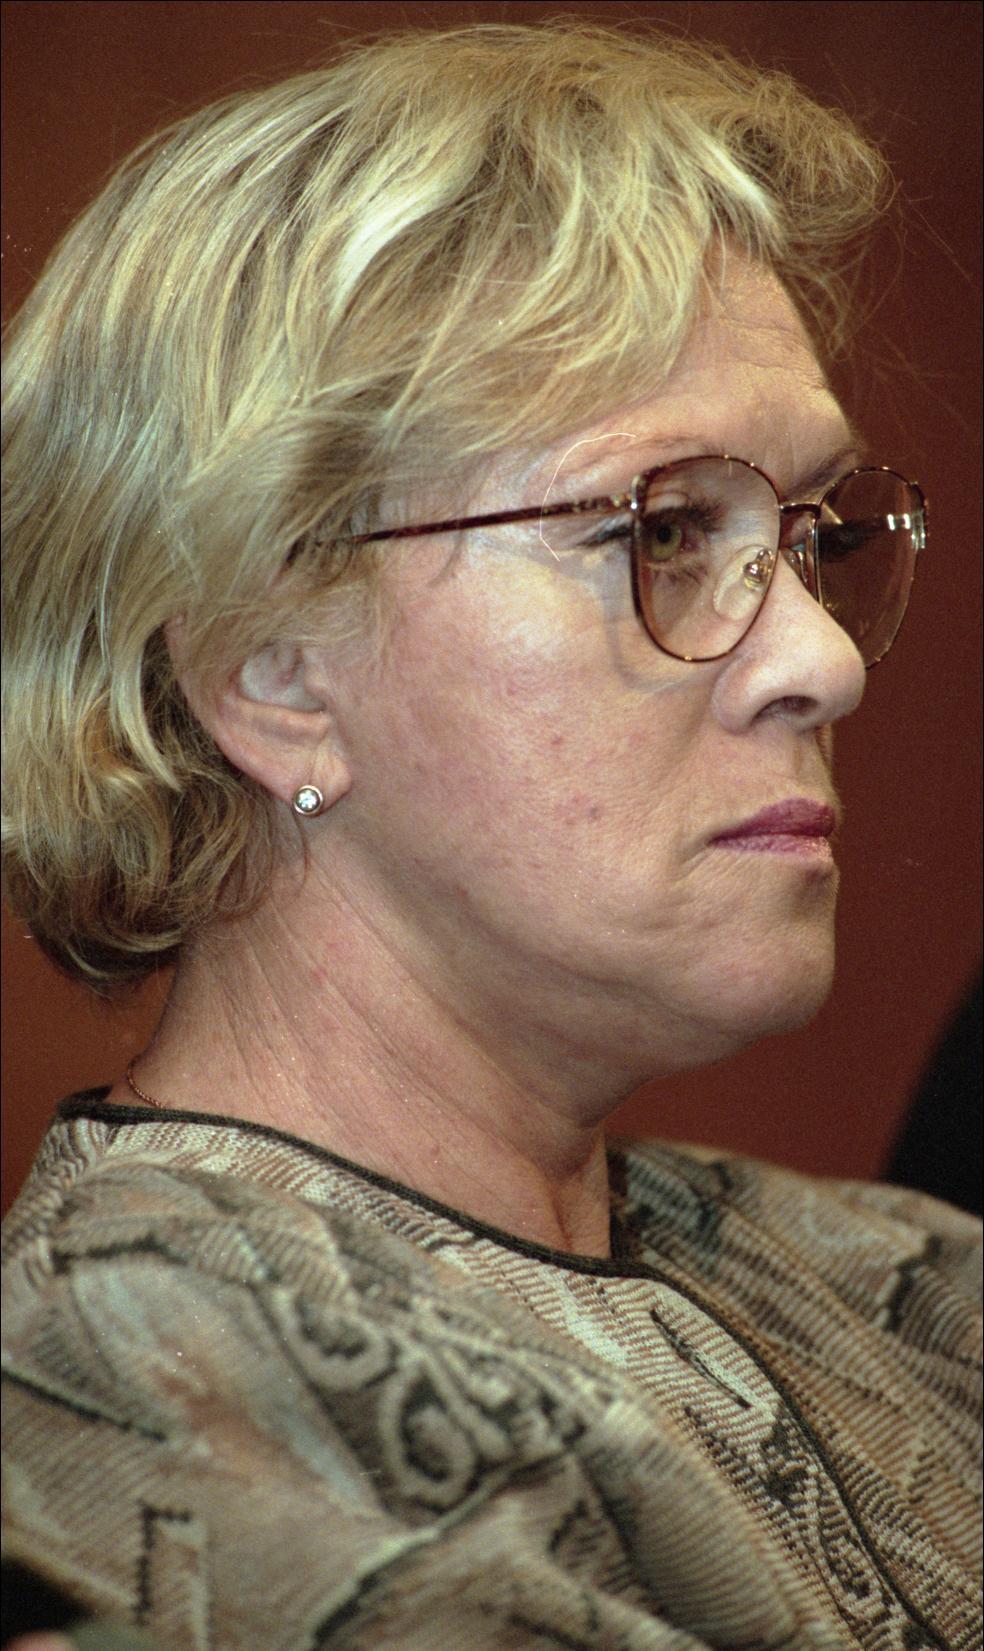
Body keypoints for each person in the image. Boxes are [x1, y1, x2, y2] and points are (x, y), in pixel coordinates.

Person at [2, 21, 979, 1651]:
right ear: (272, 670)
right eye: (666, 530)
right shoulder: (145, 1370)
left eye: (810, 536)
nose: (824, 659)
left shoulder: (906, 1282)